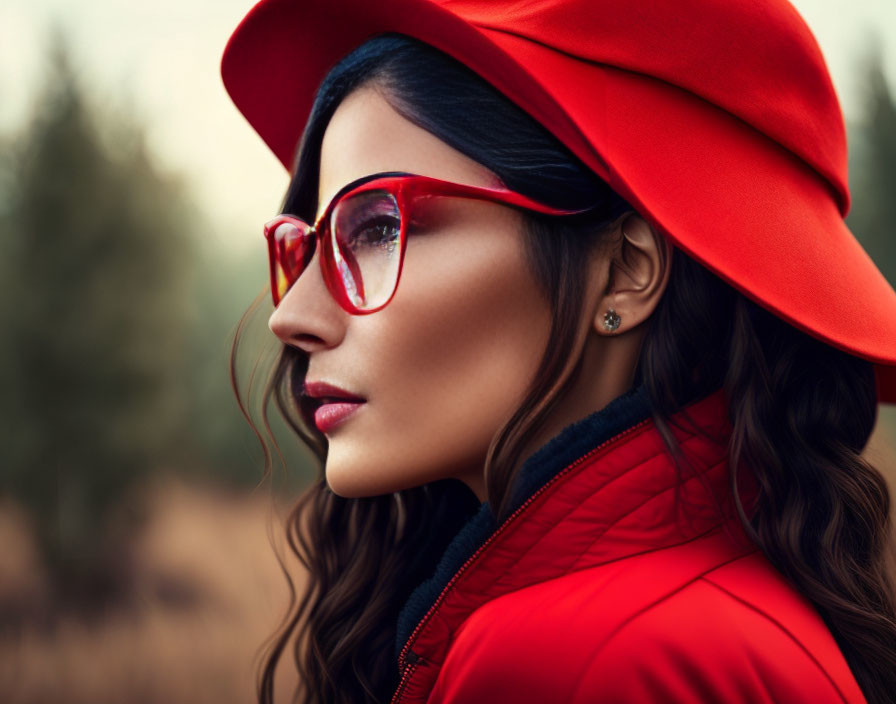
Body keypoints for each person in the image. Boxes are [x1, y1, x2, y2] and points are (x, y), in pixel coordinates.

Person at [220, 1, 896, 702]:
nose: (292, 316)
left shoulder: (565, 660)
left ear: (625, 270)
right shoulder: (735, 601)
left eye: (379, 228)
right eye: (307, 246)